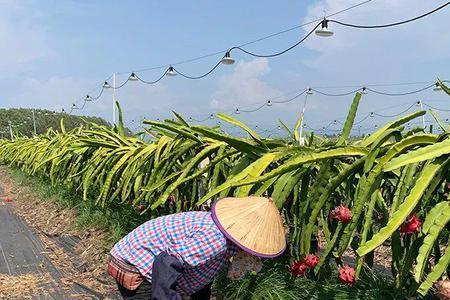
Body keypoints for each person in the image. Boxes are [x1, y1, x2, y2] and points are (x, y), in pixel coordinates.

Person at [107, 196, 286, 299]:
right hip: (137, 266)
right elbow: (165, 262)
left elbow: (201, 273)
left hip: (146, 265)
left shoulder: (223, 238)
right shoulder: (215, 240)